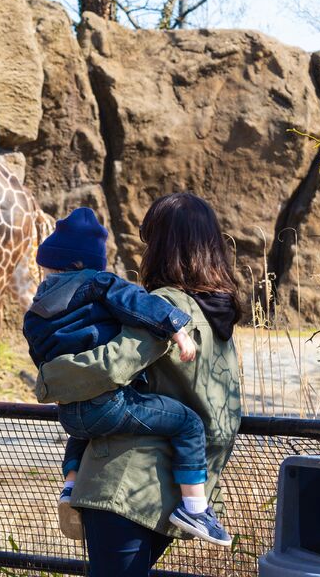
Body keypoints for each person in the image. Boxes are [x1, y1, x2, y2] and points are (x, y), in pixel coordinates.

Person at [34, 193, 243, 576]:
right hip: (169, 491)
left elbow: (107, 369)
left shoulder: (164, 306)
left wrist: (48, 379)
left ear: (162, 246)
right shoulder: (221, 312)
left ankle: (71, 479)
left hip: (125, 485)